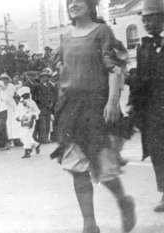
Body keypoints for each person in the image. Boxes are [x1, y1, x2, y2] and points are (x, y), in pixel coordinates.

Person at [51, 0, 136, 232]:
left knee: (104, 166)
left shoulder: (102, 32)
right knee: (76, 166)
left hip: (96, 107)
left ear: (90, 5)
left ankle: (123, 201)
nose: (73, 5)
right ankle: (89, 223)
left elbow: (114, 69)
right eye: (70, 2)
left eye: (79, 1)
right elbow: (63, 72)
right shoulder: (65, 35)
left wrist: (111, 101)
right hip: (70, 109)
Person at [128, 0, 164, 212]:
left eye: (151, 18)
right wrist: (132, 103)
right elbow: (140, 80)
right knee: (158, 152)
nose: (147, 23)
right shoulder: (144, 47)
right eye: (144, 19)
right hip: (153, 112)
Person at [16, 87, 40, 159]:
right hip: (23, 121)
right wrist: (17, 117)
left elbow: (37, 111)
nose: (26, 96)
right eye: (24, 95)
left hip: (30, 121)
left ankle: (27, 151)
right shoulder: (20, 104)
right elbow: (18, 111)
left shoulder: (32, 102)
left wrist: (34, 116)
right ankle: (36, 145)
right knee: (22, 136)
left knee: (26, 135)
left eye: (27, 94)